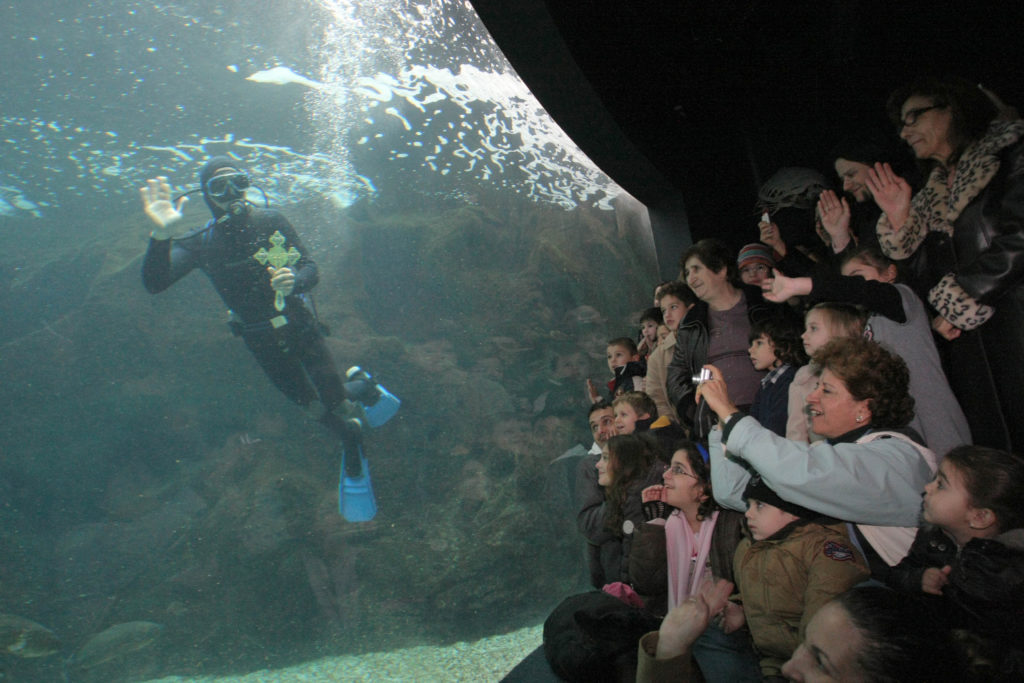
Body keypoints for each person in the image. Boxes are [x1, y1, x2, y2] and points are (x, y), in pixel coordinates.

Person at [139, 158, 388, 521]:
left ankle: (358, 408)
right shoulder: (202, 242)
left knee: (335, 401)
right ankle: (355, 412)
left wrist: (294, 280)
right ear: (206, 195)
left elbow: (309, 269)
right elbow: (154, 283)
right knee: (312, 407)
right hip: (259, 340)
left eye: (237, 183)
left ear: (247, 184)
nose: (232, 195)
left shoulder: (267, 224)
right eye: (219, 188)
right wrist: (160, 236)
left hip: (299, 327)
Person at [870, 76, 1024, 452]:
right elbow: (920, 281)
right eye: (901, 125)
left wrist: (963, 298)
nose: (905, 132)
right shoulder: (929, 194)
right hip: (975, 352)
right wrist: (901, 221)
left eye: (914, 117)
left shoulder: (1010, 156)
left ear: (952, 108)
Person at [702, 337, 937, 582]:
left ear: (864, 409)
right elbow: (734, 491)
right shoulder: (831, 453)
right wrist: (721, 422)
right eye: (816, 387)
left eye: (826, 390)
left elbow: (801, 474)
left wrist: (729, 412)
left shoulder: (899, 459)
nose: (811, 397)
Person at [765, 245, 971, 456]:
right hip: (901, 430)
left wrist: (800, 285)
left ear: (890, 273)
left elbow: (862, 290)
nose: (854, 285)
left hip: (933, 418)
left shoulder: (904, 301)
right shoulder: (866, 323)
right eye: (849, 280)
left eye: (858, 277)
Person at [636, 583, 965, 682]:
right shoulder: (747, 551)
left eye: (821, 663)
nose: (791, 666)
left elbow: (840, 572)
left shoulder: (828, 547)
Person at [887, 445, 1024, 676]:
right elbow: (897, 574)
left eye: (941, 485)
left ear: (980, 517)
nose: (927, 488)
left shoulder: (1004, 567)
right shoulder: (936, 536)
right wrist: (918, 579)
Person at [630, 442, 758, 682]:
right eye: (669, 468)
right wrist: (653, 523)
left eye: (677, 470)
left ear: (704, 488)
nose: (665, 475)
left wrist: (739, 611)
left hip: (723, 640)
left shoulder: (732, 527)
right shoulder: (669, 523)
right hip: (677, 633)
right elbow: (645, 582)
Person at [731, 476, 869, 679]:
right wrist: (738, 606)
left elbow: (824, 608)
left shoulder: (824, 549)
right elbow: (762, 592)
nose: (748, 513)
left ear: (792, 511)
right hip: (769, 660)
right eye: (748, 505)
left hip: (813, 664)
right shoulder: (748, 549)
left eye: (760, 505)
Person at [667, 239, 781, 438]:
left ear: (720, 269)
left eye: (696, 270)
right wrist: (694, 405)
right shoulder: (691, 323)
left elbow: (789, 349)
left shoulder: (763, 305)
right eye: (687, 273)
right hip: (719, 421)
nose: (691, 279)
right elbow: (681, 374)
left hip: (772, 411)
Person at [578, 434, 665, 590]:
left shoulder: (637, 502)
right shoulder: (623, 499)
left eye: (605, 458)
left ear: (624, 464)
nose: (597, 465)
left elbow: (633, 566)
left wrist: (624, 596)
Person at [786, 302, 865, 444]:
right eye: (806, 328)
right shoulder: (803, 379)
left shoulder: (864, 375)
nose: (804, 335)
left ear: (842, 333)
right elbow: (796, 433)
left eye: (814, 328)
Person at [576, 401, 618, 589]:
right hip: (612, 573)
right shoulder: (589, 466)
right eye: (594, 427)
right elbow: (590, 526)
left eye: (607, 421)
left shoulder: (643, 453)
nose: (601, 431)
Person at [747, 313, 806, 437]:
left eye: (759, 343)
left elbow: (777, 428)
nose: (750, 350)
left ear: (783, 346)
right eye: (751, 344)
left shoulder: (791, 380)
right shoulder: (767, 383)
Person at [647, 281, 696, 424]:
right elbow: (657, 399)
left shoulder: (706, 340)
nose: (667, 315)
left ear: (690, 308)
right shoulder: (657, 357)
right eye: (663, 311)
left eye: (673, 307)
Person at [587, 337, 645, 403]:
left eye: (618, 355)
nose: (612, 360)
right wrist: (597, 399)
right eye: (609, 356)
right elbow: (611, 408)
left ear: (634, 359)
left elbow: (636, 409)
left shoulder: (636, 381)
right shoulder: (616, 383)